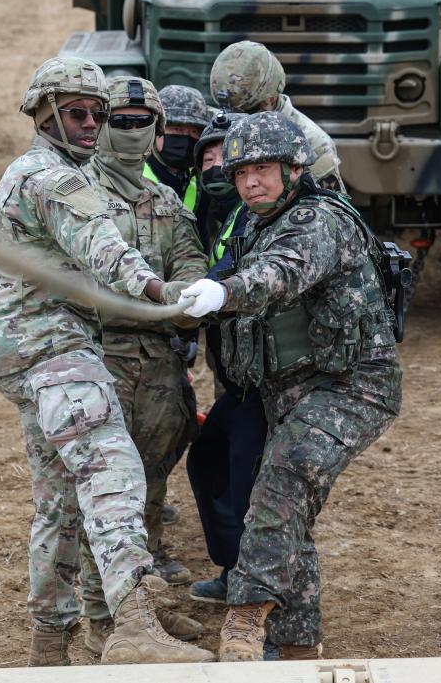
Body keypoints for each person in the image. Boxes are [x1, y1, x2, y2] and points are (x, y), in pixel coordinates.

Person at [0, 56, 213, 667]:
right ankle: (131, 625)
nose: (93, 125)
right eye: (79, 113)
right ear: (44, 113)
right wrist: (165, 294)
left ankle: (50, 647)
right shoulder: (55, 179)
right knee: (113, 470)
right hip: (51, 345)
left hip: (31, 346)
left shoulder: (56, 171)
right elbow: (104, 247)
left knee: (59, 500)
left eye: (98, 115)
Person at [177, 111, 402, 661]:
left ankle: (246, 617)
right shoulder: (254, 221)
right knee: (288, 505)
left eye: (263, 168)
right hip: (290, 390)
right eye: (241, 172)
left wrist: (225, 293)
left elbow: (281, 272)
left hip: (352, 386)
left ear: (293, 168)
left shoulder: (316, 221)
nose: (251, 181)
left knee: (284, 477)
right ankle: (298, 644)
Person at [79, 77, 208, 648]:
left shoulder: (167, 204)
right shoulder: (76, 193)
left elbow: (191, 269)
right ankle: (99, 615)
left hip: (156, 361)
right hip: (95, 355)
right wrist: (156, 299)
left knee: (151, 479)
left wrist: (177, 301)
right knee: (99, 489)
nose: (132, 131)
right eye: (120, 120)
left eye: (142, 122)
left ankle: (144, 604)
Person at [185, 112, 269, 606]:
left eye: (231, 162)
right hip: (238, 375)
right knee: (211, 459)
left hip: (275, 379)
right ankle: (235, 570)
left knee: (253, 479)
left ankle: (261, 592)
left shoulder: (274, 217)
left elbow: (266, 275)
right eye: (211, 160)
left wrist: (216, 292)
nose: (221, 169)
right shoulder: (216, 210)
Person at [209, 40, 344, 191]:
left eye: (249, 111)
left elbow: (332, 207)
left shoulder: (312, 142)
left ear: (271, 98)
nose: (238, 119)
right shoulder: (218, 123)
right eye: (231, 112)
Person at [143, 85, 209, 233]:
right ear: (156, 128)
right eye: (177, 128)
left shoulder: (203, 180)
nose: (186, 138)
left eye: (194, 131)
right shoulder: (131, 175)